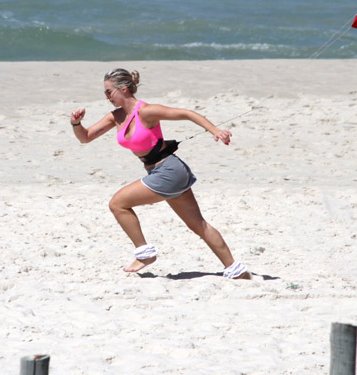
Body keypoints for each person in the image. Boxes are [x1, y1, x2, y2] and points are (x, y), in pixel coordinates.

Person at [70, 68, 251, 280]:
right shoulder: (116, 117)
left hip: (168, 171)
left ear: (124, 89)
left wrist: (215, 131)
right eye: (105, 93)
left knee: (117, 203)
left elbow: (187, 114)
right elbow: (85, 137)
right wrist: (76, 123)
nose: (107, 97)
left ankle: (144, 254)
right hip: (166, 171)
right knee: (198, 225)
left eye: (109, 92)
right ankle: (237, 271)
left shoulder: (146, 111)